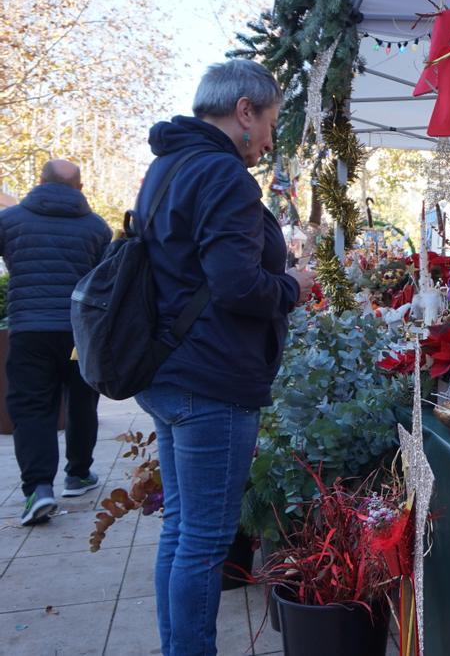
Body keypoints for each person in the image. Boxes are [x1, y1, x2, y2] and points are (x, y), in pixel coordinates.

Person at [133, 59, 315, 656]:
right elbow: (238, 286)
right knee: (206, 542)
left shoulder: (169, 166)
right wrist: (293, 286)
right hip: (211, 379)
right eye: (270, 120)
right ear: (244, 110)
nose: (269, 137)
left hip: (170, 371)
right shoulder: (223, 175)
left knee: (183, 532)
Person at [0, 160, 111, 525]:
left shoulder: (9, 221)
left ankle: (38, 489)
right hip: (79, 334)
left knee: (32, 408)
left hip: (30, 331)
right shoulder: (97, 228)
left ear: (39, 182)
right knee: (82, 400)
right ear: (79, 188)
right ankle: (78, 473)